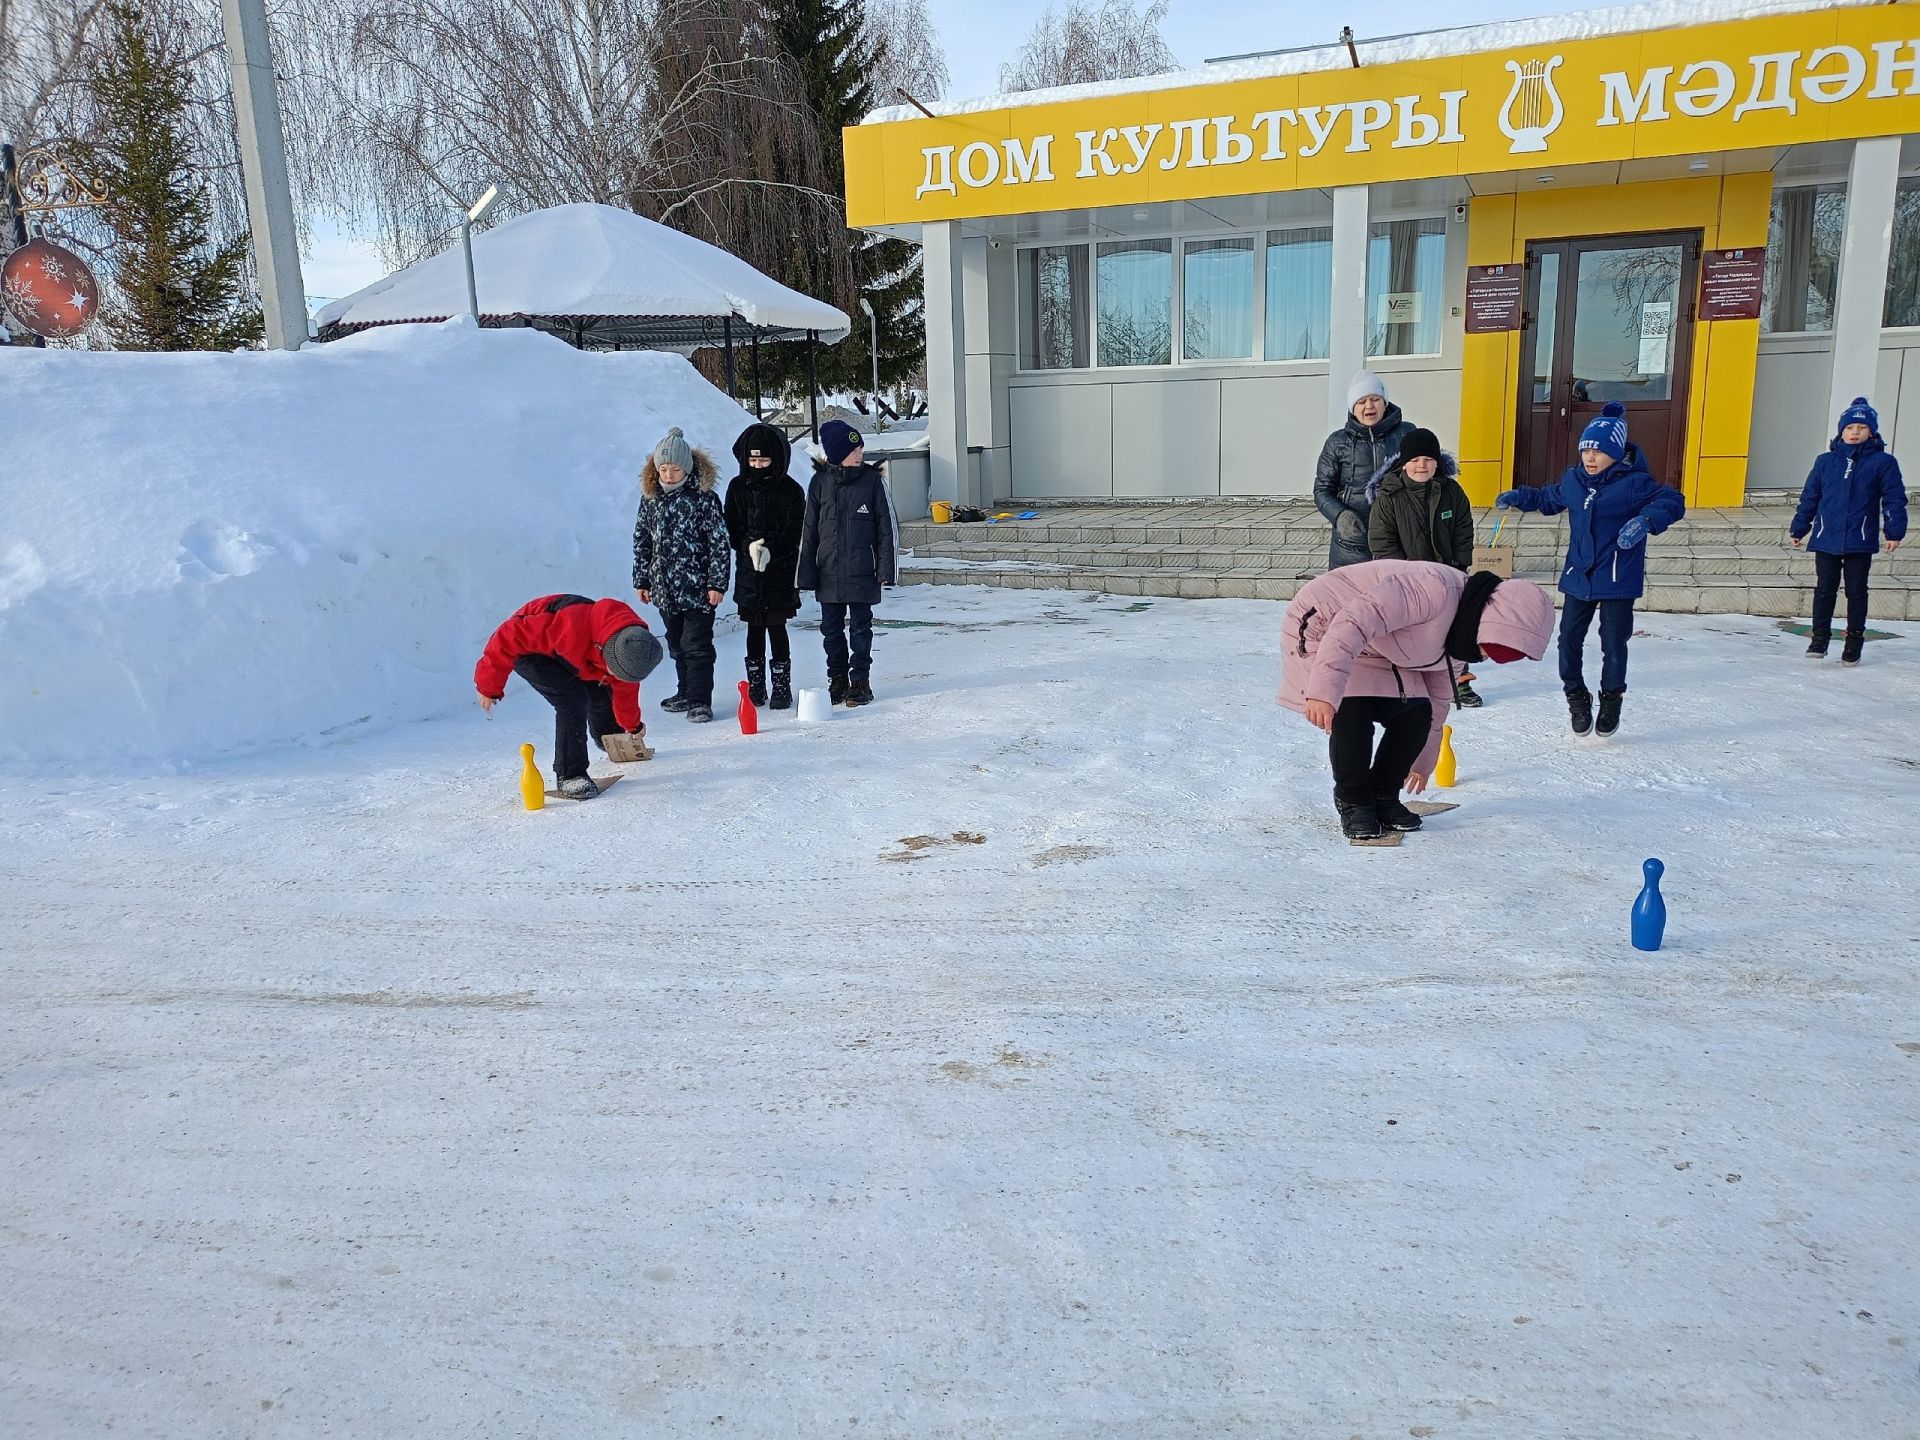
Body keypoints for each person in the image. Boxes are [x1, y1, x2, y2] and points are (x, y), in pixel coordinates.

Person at [1278, 561, 1554, 841]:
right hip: (1327, 624)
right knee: (1353, 709)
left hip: (1383, 643)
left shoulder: (1462, 636)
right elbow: (1354, 622)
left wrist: (1421, 762)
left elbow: (1438, 699)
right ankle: (1354, 801)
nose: (1480, 657)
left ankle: (1384, 796)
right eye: (1484, 649)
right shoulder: (1432, 589)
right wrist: (1324, 693)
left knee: (1415, 713)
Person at [1497, 401, 1685, 739]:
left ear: (1615, 453)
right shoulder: (1575, 481)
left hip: (1616, 578)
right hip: (1578, 576)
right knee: (1568, 640)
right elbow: (1547, 498)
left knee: (1613, 642)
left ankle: (1611, 699)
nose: (1590, 458)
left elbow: (1672, 501)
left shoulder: (1635, 483)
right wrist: (1517, 496)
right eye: (1586, 450)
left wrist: (1645, 521)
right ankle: (1576, 697)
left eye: (1598, 451)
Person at [474, 594, 664, 799]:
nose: (619, 677)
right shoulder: (568, 625)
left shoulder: (631, 651)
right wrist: (488, 685)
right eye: (616, 670)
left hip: (577, 656)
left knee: (600, 690)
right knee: (571, 699)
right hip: (530, 651)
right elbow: (508, 635)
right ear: (607, 651)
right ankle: (570, 775)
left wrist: (632, 727)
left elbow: (626, 691)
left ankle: (609, 737)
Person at [1365, 426, 1486, 707]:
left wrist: (1459, 565)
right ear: (1405, 463)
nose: (1422, 465)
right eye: (1416, 460)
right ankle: (1411, 681)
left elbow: (1463, 530)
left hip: (1448, 575)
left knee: (1456, 628)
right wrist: (1403, 574)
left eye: (1428, 460)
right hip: (1406, 579)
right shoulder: (1389, 497)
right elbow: (1382, 542)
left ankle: (1460, 680)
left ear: (1437, 462)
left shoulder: (1450, 491)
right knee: (1410, 631)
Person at [1790, 396, 1907, 665]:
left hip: (1860, 537)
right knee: (1824, 590)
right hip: (1826, 536)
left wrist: (1894, 531)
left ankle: (1854, 639)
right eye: (1849, 428)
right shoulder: (1825, 462)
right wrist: (1800, 527)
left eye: (1861, 428)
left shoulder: (1883, 463)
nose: (1855, 433)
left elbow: (1893, 498)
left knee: (1856, 591)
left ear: (1872, 432)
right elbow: (1810, 497)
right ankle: (1819, 637)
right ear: (1841, 431)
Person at [632, 427, 730, 723]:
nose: (669, 474)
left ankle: (700, 700)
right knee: (676, 645)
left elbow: (718, 542)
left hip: (699, 590)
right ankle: (685, 691)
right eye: (663, 468)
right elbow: (642, 539)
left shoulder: (703, 498)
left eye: (674, 469)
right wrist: (642, 579)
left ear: (686, 468)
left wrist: (717, 583)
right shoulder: (651, 499)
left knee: (697, 646)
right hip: (665, 590)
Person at [798, 419, 895, 707]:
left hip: (862, 570)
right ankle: (837, 679)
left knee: (861, 628)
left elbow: (885, 528)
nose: (860, 453)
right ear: (837, 452)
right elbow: (809, 529)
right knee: (831, 628)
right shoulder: (819, 483)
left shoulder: (871, 481)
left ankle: (861, 681)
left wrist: (885, 568)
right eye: (854, 449)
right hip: (828, 571)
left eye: (861, 448)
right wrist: (806, 572)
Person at [723, 423, 807, 709]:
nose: (757, 466)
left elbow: (794, 532)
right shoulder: (737, 487)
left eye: (764, 460)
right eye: (753, 460)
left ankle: (781, 684)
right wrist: (748, 545)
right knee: (753, 629)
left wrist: (771, 551)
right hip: (749, 573)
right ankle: (756, 685)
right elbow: (731, 524)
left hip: (779, 575)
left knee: (776, 627)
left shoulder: (791, 491)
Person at [1314, 370, 1416, 570]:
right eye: (1361, 402)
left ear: (1385, 403)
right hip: (1350, 546)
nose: (1369, 406)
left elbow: (1423, 476)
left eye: (1375, 399)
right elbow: (1322, 490)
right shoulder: (1337, 442)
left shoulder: (1407, 433)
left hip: (1397, 542)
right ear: (1353, 408)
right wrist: (1340, 516)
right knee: (1350, 600)